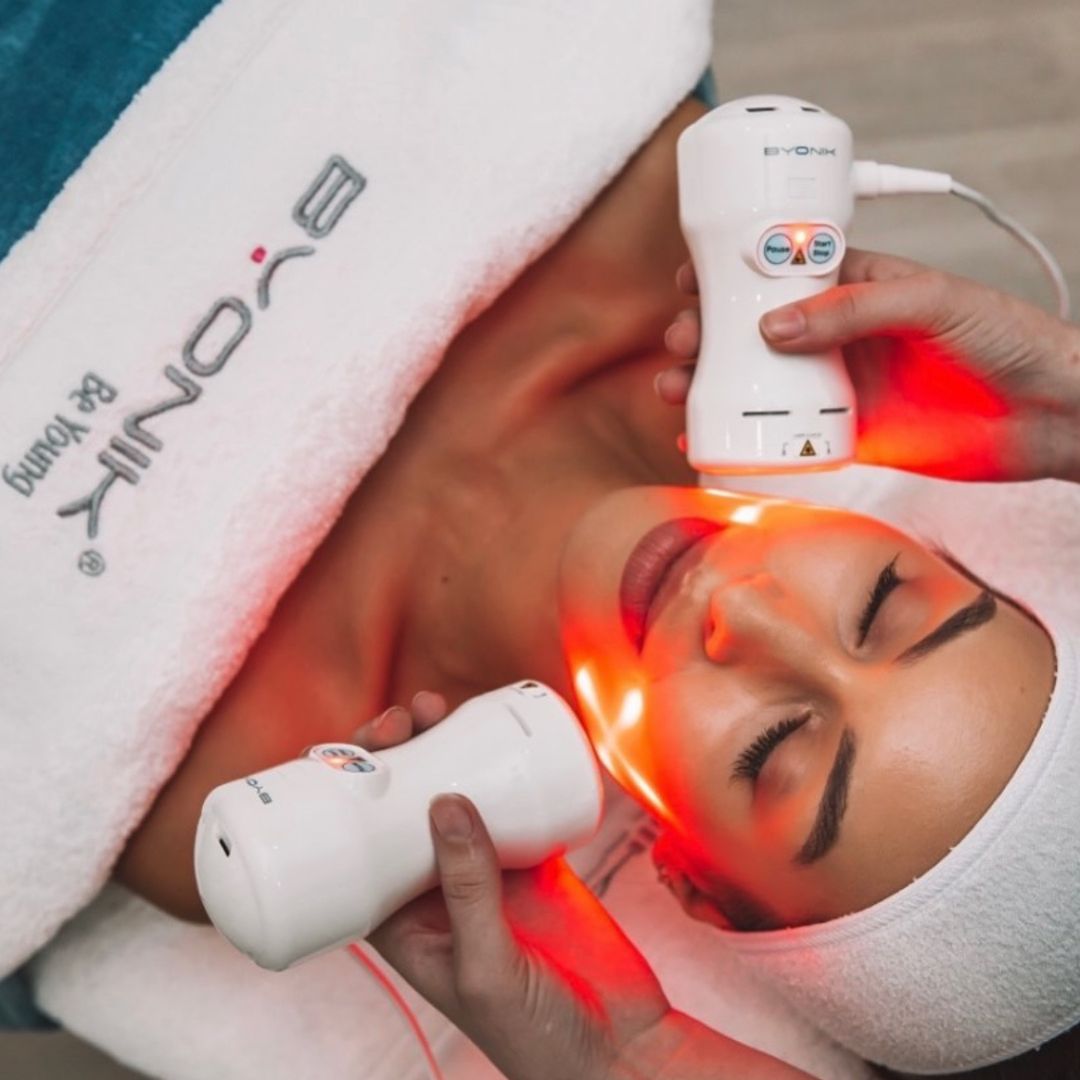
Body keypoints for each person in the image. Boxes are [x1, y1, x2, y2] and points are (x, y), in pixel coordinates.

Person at [109, 80, 1080, 1076]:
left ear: (687, 875)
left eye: (773, 749)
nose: (745, 611)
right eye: (881, 603)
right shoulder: (672, 199)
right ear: (929, 542)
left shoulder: (198, 766)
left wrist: (631, 1060)